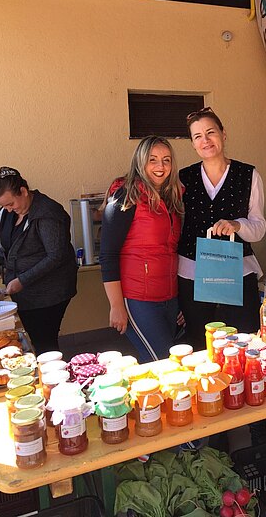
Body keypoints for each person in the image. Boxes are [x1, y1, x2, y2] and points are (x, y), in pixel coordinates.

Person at [178, 106, 266, 349]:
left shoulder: (248, 175)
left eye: (211, 132)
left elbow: (259, 227)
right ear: (193, 144)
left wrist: (237, 225)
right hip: (192, 273)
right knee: (200, 343)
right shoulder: (183, 178)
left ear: (223, 134)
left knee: (244, 340)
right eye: (198, 136)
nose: (205, 140)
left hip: (237, 271)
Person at [99, 136, 183, 362]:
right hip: (138, 300)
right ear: (140, 162)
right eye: (152, 159)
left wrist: (179, 301)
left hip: (169, 297)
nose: (160, 166)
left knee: (163, 363)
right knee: (164, 363)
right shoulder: (126, 197)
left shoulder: (171, 198)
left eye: (166, 160)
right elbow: (108, 255)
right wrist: (116, 306)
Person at [0, 167, 78, 353]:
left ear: (23, 191)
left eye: (10, 203)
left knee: (43, 341)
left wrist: (22, 280)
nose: (8, 209)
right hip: (22, 290)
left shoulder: (48, 213)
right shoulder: (7, 213)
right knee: (30, 337)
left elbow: (56, 255)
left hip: (49, 292)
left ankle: (51, 368)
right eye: (4, 206)